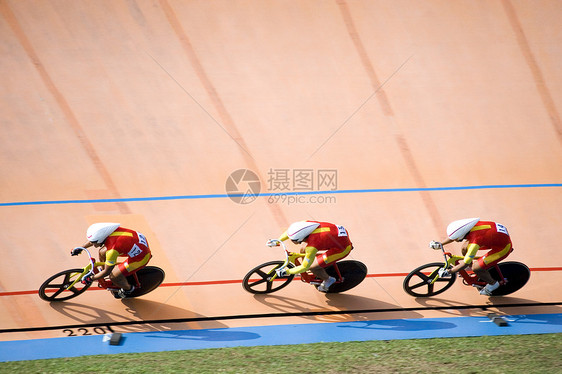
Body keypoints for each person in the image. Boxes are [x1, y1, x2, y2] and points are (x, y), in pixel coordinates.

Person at [429, 217, 513, 296]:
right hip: (494, 237)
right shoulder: (470, 227)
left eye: (455, 238)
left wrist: (449, 272)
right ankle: (471, 264)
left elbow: (464, 263)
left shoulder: (475, 242)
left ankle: (493, 284)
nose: (454, 240)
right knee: (464, 248)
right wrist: (440, 244)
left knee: (476, 268)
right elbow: (454, 236)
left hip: (503, 247)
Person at [267, 220, 353, 292]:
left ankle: (329, 279)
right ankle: (309, 260)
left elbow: (304, 267)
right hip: (336, 236)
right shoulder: (306, 225)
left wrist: (287, 272)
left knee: (312, 267)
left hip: (342, 249)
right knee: (303, 248)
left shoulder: (312, 246)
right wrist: (278, 240)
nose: (291, 241)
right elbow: (290, 232)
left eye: (293, 240)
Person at [71, 222, 152, 298]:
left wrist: (91, 278)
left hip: (141, 257)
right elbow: (93, 240)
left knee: (113, 276)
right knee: (102, 252)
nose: (94, 245)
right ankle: (103, 271)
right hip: (134, 243)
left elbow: (107, 272)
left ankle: (128, 289)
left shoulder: (112, 250)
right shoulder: (109, 232)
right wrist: (80, 248)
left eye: (95, 243)